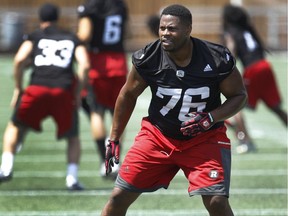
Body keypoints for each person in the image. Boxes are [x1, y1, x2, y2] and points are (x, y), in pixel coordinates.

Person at [101, 4, 247, 216]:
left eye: (172, 29)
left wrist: (211, 118)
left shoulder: (215, 58)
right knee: (118, 197)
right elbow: (127, 95)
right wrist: (114, 138)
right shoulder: (149, 57)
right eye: (162, 28)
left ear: (188, 29)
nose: (165, 33)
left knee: (217, 201)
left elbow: (239, 96)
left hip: (204, 138)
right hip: (158, 136)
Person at [0, 3, 90, 191]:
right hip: (63, 91)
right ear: (58, 18)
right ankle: (71, 179)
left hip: (37, 88)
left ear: (41, 19)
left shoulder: (35, 36)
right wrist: (76, 92)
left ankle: (6, 168)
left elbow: (18, 59)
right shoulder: (71, 37)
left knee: (14, 126)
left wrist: (18, 87)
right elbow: (85, 64)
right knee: (72, 136)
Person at [222, 4, 287, 154]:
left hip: (253, 70)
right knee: (275, 107)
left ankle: (246, 141)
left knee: (235, 103)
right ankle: (245, 139)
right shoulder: (247, 29)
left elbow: (232, 51)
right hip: (265, 66)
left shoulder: (230, 32)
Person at [76, 0, 128, 177]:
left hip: (98, 65)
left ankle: (104, 161)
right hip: (119, 63)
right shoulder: (120, 4)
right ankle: (113, 160)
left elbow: (84, 35)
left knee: (96, 112)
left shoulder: (91, 6)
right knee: (118, 114)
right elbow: (126, 33)